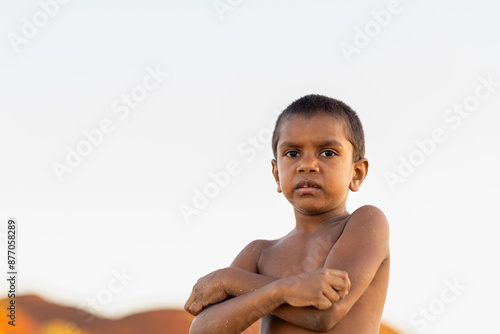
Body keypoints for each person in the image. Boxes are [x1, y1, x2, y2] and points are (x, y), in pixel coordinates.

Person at [184, 94, 390, 333]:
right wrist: (281, 290)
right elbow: (202, 330)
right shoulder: (260, 253)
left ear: (357, 173)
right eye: (292, 153)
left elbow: (323, 315)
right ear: (276, 174)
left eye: (328, 152)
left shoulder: (366, 222)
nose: (307, 165)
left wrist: (231, 280)